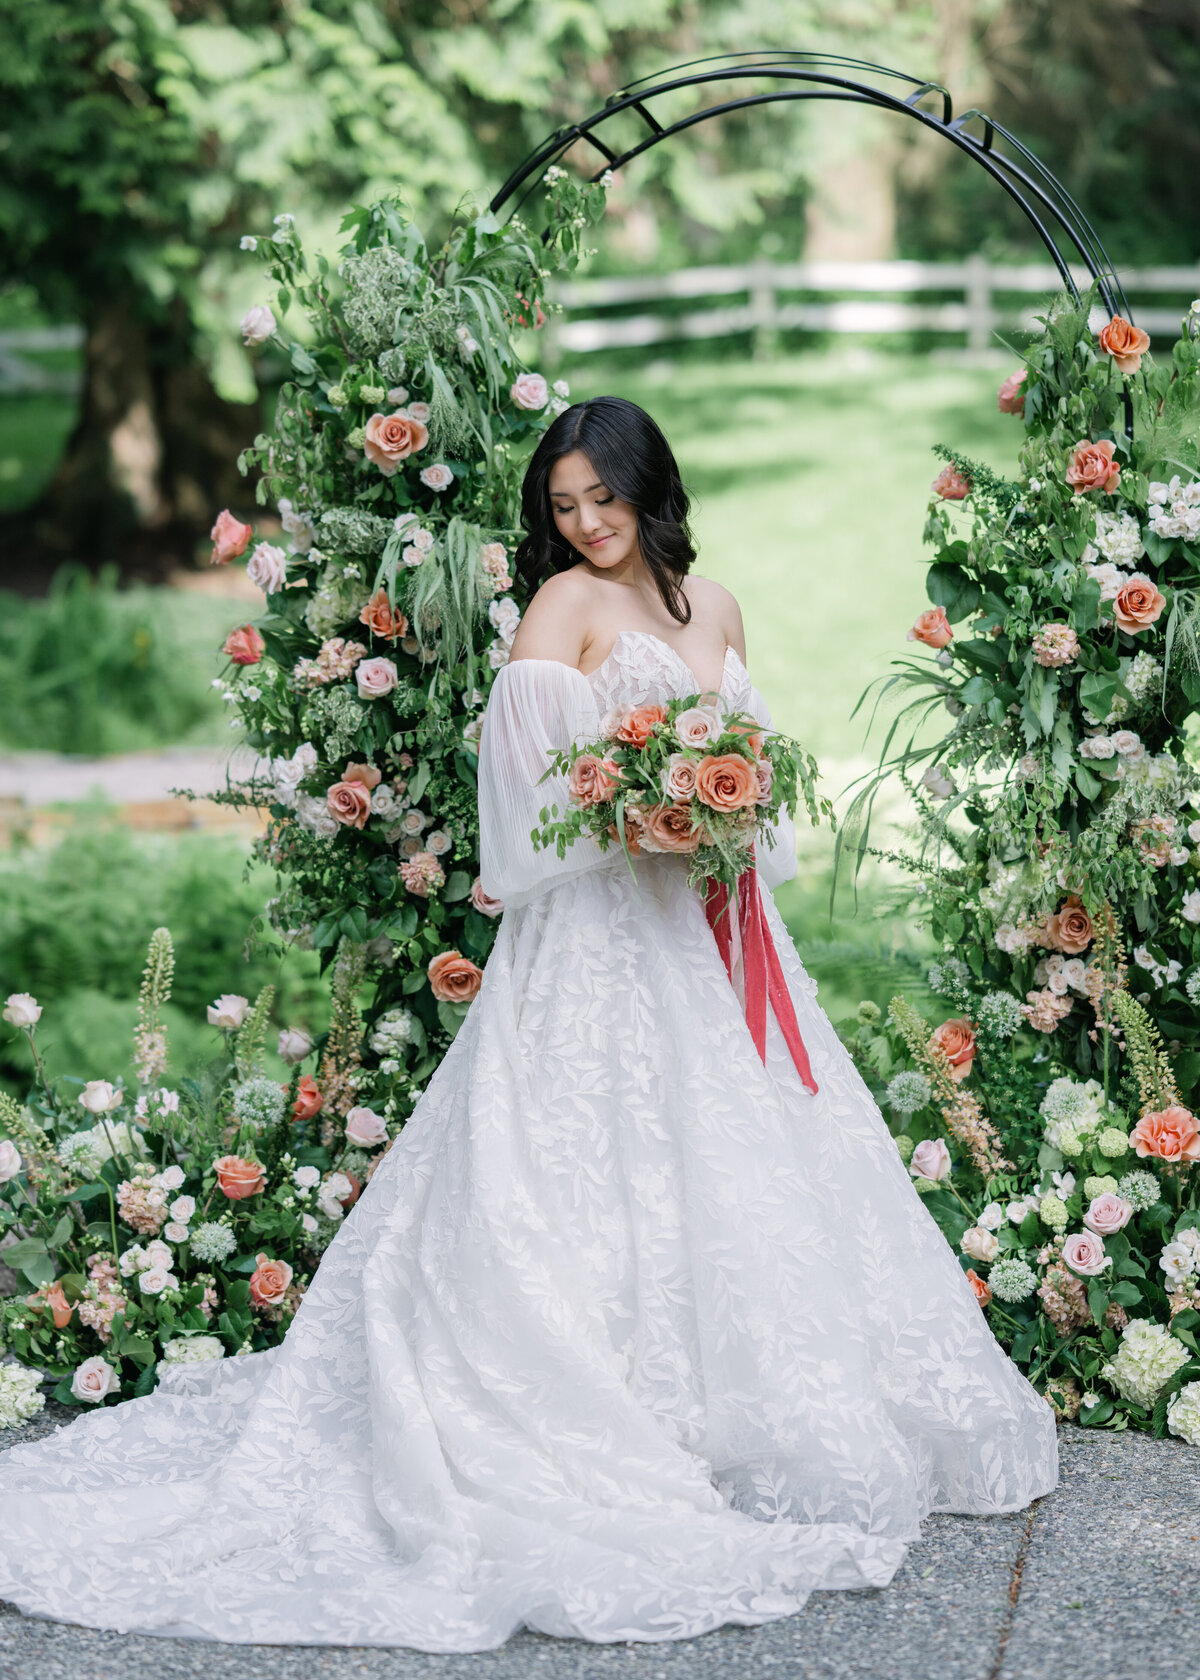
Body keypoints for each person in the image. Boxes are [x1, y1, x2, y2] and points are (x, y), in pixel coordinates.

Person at [0, 396, 1056, 1653]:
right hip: (600, 940)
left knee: (745, 1167)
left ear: (649, 488)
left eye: (604, 499)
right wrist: (638, 816)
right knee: (580, 1165)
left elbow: (759, 771)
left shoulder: (711, 609)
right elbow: (527, 806)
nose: (588, 524)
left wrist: (721, 818)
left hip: (714, 938)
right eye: (563, 508)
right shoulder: (560, 612)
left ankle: (747, 1414)